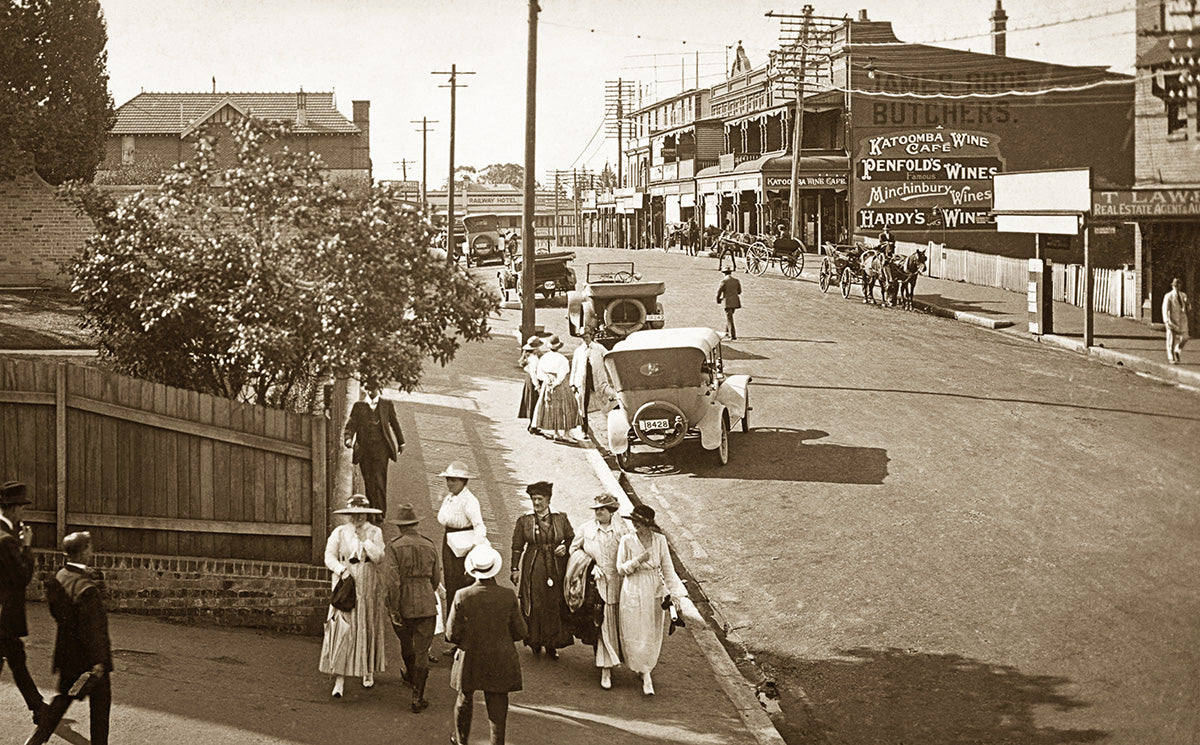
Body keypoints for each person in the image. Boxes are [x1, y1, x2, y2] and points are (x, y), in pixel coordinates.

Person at [26, 531, 112, 745]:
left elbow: (57, 612)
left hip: (67, 656)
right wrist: (99, 661)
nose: (91, 552)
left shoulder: (60, 577)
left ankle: (36, 740)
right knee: (100, 704)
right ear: (83, 553)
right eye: (89, 548)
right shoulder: (86, 588)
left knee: (63, 699)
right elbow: (93, 629)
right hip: (89, 664)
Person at [446, 545, 526, 745]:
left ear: (473, 569)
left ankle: (461, 740)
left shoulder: (462, 595)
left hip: (470, 657)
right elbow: (521, 632)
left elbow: (451, 634)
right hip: (500, 656)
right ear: (494, 570)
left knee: (464, 697)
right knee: (497, 700)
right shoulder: (508, 596)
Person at [320, 494, 387, 698]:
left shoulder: (375, 532)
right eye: (353, 514)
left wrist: (365, 541)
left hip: (367, 584)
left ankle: (367, 671)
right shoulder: (339, 532)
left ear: (366, 513)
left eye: (361, 514)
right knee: (343, 628)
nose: (357, 518)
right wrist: (341, 570)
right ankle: (339, 678)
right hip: (346, 583)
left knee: (366, 624)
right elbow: (329, 557)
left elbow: (379, 558)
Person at [617, 504, 687, 696]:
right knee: (634, 628)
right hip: (632, 586)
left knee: (651, 630)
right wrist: (637, 560)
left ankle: (646, 671)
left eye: (640, 523)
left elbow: (668, 569)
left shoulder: (660, 541)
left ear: (648, 524)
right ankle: (639, 666)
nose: (636, 526)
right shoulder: (627, 540)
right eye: (635, 522)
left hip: (653, 588)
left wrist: (674, 594)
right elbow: (620, 569)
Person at [568, 493, 631, 689]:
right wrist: (590, 564)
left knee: (624, 624)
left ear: (612, 511)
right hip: (597, 586)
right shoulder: (586, 529)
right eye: (596, 509)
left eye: (602, 509)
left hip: (622, 585)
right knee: (602, 624)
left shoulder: (623, 530)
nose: (598, 513)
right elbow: (574, 549)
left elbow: (633, 552)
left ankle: (637, 665)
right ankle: (606, 671)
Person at [382, 504, 439, 713]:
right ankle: (418, 696)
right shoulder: (429, 544)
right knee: (422, 649)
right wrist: (425, 590)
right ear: (416, 524)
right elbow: (436, 579)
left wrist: (394, 609)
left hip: (404, 601)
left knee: (406, 641)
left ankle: (411, 675)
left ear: (399, 527)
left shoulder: (394, 546)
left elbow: (392, 582)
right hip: (426, 602)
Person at [0, 482, 47, 726]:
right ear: (12, 508)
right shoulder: (6, 541)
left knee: (16, 660)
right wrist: (26, 546)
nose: (23, 514)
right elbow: (21, 577)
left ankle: (38, 707)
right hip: (4, 615)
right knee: (17, 660)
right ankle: (38, 708)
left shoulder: (5, 536)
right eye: (21, 508)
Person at [509, 481, 574, 658]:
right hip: (534, 565)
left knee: (553, 602)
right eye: (533, 499)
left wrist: (565, 547)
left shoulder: (560, 518)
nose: (536, 503)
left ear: (548, 499)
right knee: (535, 602)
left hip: (556, 566)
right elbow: (517, 546)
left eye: (540, 499)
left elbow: (571, 539)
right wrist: (514, 568)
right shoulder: (524, 520)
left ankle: (552, 644)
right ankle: (535, 641)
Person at [343, 385, 405, 523]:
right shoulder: (358, 406)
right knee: (369, 481)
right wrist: (348, 438)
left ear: (379, 389)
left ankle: (380, 512)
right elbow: (351, 425)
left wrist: (401, 442)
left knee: (380, 480)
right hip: (364, 451)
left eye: (374, 388)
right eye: (369, 388)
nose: (372, 392)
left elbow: (395, 424)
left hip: (381, 450)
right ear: (366, 389)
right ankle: (371, 511)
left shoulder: (386, 405)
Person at [437, 461, 488, 629]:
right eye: (449, 480)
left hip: (463, 548)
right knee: (451, 586)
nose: (450, 483)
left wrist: (472, 549)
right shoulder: (450, 498)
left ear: (464, 482)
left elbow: (480, 526)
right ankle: (453, 632)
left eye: (455, 480)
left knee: (461, 587)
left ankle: (463, 634)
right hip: (449, 543)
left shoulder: (469, 501)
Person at [534, 335, 580, 442]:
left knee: (553, 407)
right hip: (560, 384)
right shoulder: (561, 358)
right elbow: (563, 373)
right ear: (559, 347)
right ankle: (566, 433)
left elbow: (540, 372)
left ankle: (556, 432)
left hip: (547, 383)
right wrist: (556, 383)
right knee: (568, 406)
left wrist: (547, 381)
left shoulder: (544, 357)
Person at [570, 329, 611, 440]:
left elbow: (609, 359)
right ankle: (584, 430)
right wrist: (572, 383)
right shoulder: (578, 351)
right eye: (583, 338)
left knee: (606, 403)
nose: (585, 340)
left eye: (587, 337)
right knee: (582, 405)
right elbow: (574, 367)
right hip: (583, 382)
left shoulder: (599, 348)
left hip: (598, 381)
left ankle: (612, 430)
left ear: (591, 337)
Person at [517, 337, 545, 432]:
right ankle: (533, 426)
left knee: (531, 402)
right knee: (534, 402)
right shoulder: (534, 358)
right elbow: (533, 373)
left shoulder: (528, 356)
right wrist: (537, 386)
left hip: (529, 380)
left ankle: (533, 424)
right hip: (534, 381)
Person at [1163, 277, 1190, 364]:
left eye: (1178, 285)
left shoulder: (1183, 295)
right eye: (1175, 285)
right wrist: (1167, 321)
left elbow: (1189, 309)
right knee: (1171, 340)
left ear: (1180, 286)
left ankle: (1177, 349)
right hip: (1172, 320)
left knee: (1185, 337)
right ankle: (1171, 357)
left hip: (1182, 320)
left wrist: (1188, 303)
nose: (1176, 287)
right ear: (1172, 286)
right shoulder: (1169, 296)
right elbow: (1165, 309)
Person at [717, 267, 742, 341]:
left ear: (724, 273)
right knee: (729, 317)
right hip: (735, 302)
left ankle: (733, 335)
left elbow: (719, 292)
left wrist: (718, 299)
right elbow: (739, 291)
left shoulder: (724, 281)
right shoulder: (736, 281)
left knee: (729, 318)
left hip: (727, 302)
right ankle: (726, 332)